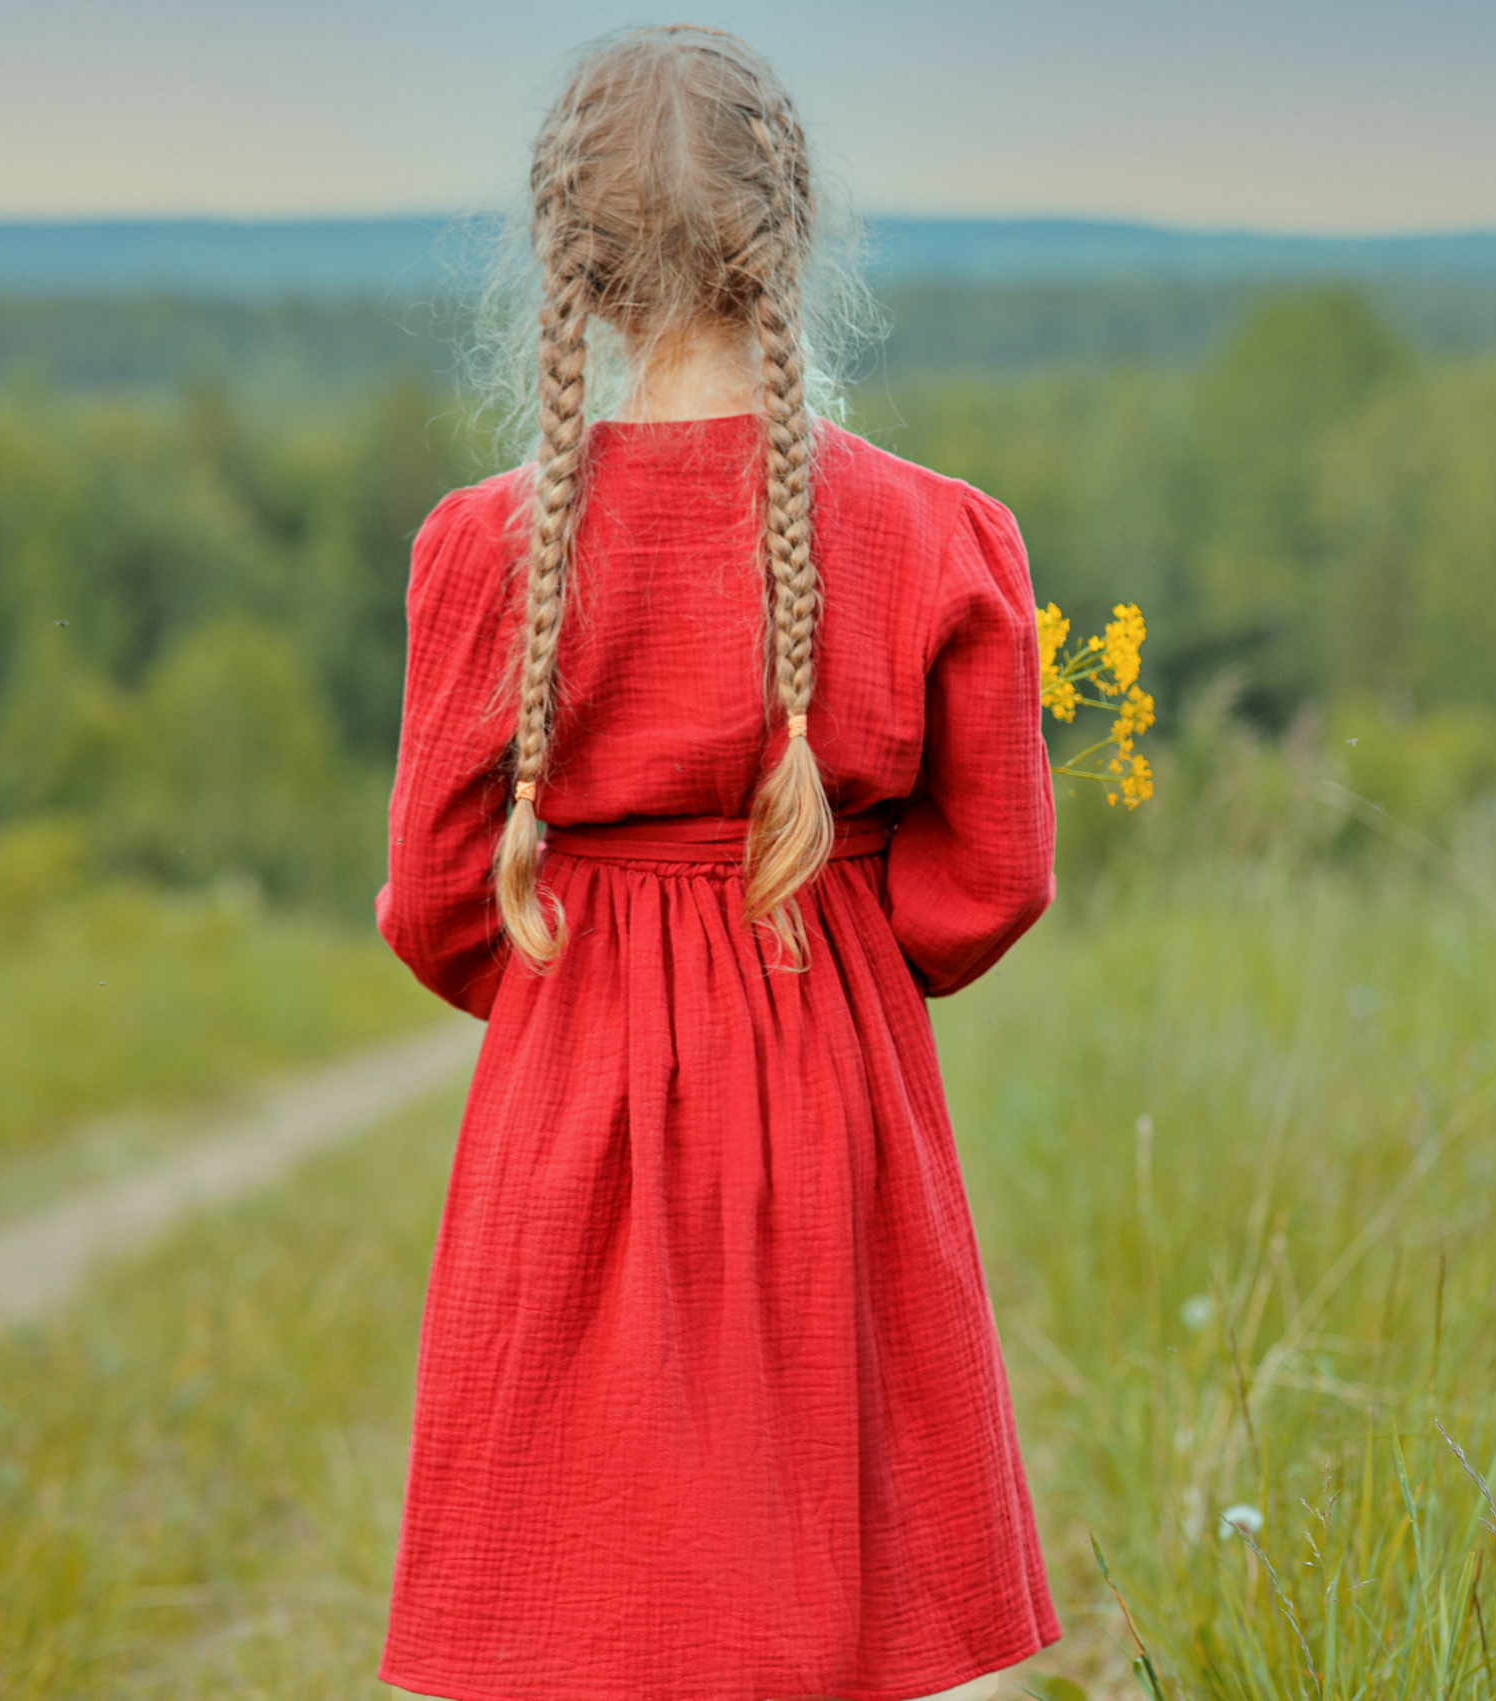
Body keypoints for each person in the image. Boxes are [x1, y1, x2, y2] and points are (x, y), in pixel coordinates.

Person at [372, 26, 1061, 1701]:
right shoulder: (935, 533)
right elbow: (995, 875)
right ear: (794, 241)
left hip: (569, 1106)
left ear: (577, 276)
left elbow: (435, 903)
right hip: (832, 1078)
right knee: (824, 1579)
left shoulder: (489, 547)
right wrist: (827, 938)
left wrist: (590, 972)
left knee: (587, 1593)